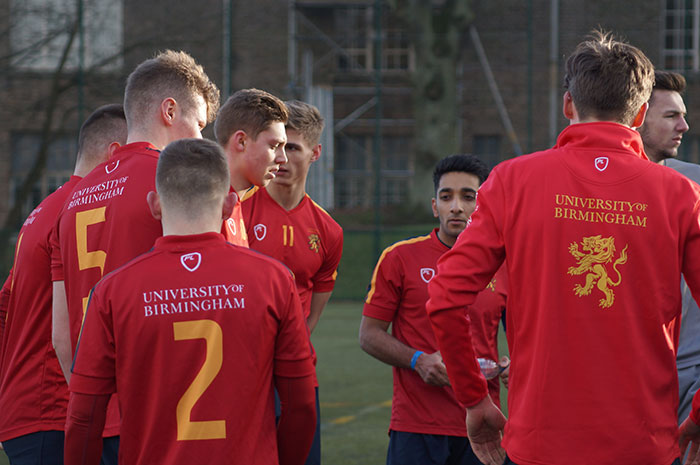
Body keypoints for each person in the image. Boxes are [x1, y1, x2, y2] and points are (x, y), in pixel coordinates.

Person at [425, 31, 700, 465]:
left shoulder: (513, 181)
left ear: (568, 105)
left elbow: (444, 298)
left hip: (539, 444)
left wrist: (474, 399)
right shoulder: (680, 194)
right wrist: (697, 415)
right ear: (641, 113)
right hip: (643, 444)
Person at [63, 138, 317, 465]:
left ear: (155, 204)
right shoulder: (273, 279)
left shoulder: (112, 291)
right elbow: (301, 404)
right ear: (229, 205)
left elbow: (84, 418)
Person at [51, 50, 219, 463]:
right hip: (168, 415)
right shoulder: (177, 184)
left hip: (98, 411)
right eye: (198, 125)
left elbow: (61, 334)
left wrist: (93, 402)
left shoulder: (72, 200)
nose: (200, 139)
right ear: (169, 109)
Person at [359, 154, 508, 465]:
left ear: (484, 205)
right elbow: (369, 335)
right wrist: (417, 360)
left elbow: (531, 334)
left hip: (485, 420)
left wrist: (515, 364)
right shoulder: (399, 258)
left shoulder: (507, 264)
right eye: (446, 196)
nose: (456, 206)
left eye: (469, 197)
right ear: (434, 206)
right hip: (417, 426)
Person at [0, 104, 126, 465]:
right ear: (115, 154)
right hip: (55, 407)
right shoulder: (82, 209)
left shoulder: (42, 210)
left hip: (25, 407)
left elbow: (4, 306)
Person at [242, 100, 344, 465]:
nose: (282, 158)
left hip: (297, 374)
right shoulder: (237, 211)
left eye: (294, 148)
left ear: (316, 153)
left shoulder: (328, 231)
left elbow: (314, 306)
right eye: (277, 146)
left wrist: (292, 346)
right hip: (242, 371)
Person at [639, 70, 700, 426]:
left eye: (684, 115)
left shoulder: (694, 182)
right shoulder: (602, 193)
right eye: (671, 116)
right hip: (632, 378)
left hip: (691, 371)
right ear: (638, 118)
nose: (684, 126)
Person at [214, 88, 289, 247]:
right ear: (241, 141)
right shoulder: (206, 208)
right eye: (274, 146)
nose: (283, 159)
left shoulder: (234, 203)